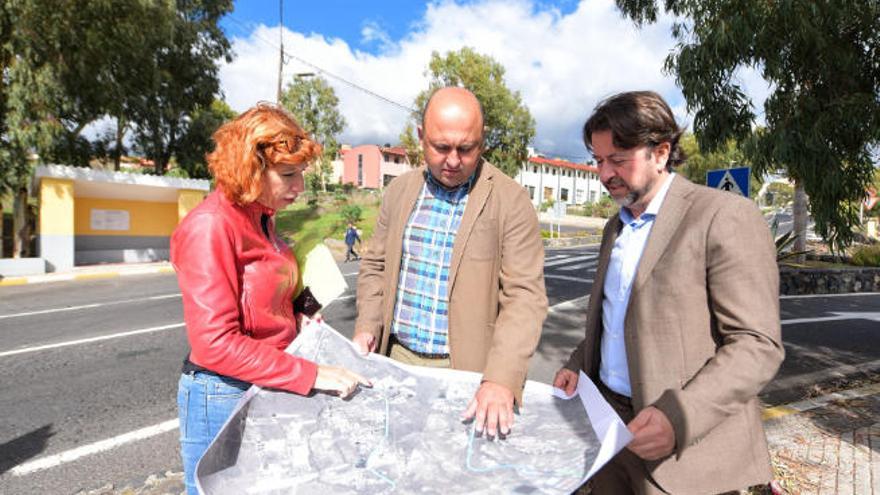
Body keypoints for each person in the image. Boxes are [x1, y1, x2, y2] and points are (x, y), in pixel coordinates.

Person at [553, 91, 784, 494]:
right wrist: (577, 363)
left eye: (618, 160)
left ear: (660, 153)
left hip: (687, 459)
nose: (605, 173)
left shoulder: (722, 216)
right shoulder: (615, 228)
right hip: (610, 441)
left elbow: (757, 344)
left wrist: (679, 418)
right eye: (598, 160)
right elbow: (613, 319)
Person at [171, 103, 370, 495]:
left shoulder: (261, 217)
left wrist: (301, 319)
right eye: (288, 175)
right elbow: (214, 343)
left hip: (262, 381)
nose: (299, 187)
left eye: (301, 174)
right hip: (222, 392)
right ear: (251, 167)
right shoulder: (212, 226)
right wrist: (312, 375)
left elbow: (265, 304)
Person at [352, 87, 548, 438]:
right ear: (420, 137)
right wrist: (367, 324)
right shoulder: (399, 192)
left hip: (467, 376)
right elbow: (376, 266)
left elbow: (525, 298)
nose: (453, 160)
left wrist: (501, 378)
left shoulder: (512, 202)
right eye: (441, 147)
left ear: (482, 142)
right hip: (394, 360)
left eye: (466, 148)